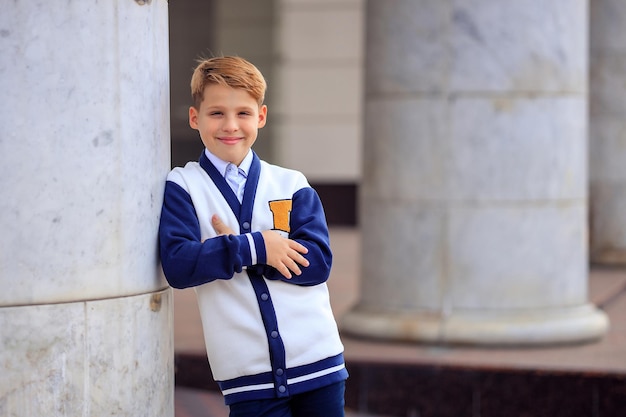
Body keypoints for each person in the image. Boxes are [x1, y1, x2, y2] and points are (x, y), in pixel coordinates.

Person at [158, 56, 348, 417]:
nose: (231, 125)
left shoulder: (291, 184)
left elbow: (318, 262)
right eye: (216, 113)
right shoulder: (184, 186)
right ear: (195, 118)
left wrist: (224, 252)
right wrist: (257, 247)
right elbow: (180, 266)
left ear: (261, 116)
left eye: (243, 113)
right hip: (247, 376)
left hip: (319, 363)